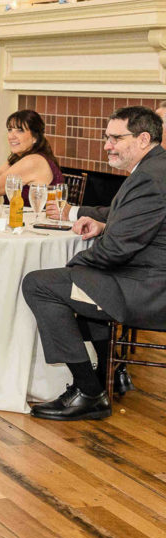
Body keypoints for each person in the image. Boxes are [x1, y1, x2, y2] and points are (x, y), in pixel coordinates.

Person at [22, 106, 166, 421]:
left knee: (40, 284)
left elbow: (115, 250)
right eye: (106, 137)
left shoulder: (151, 179)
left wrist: (73, 266)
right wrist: (88, 219)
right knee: (78, 285)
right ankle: (105, 377)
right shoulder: (153, 169)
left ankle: (88, 391)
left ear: (143, 139)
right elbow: (121, 219)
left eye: (116, 138)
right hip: (140, 278)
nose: (107, 145)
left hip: (147, 289)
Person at [0, 110, 63, 204]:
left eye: (20, 131)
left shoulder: (33, 161)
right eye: (10, 130)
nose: (11, 136)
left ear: (35, 137)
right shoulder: (16, 158)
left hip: (35, 218)